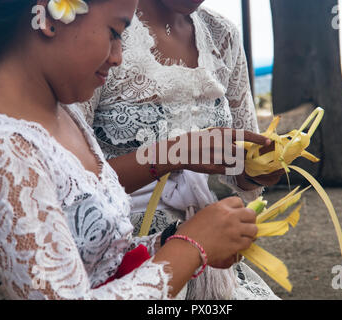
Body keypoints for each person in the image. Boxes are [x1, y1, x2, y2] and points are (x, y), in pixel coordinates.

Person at [0, 0, 262, 299]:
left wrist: (172, 241)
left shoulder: (67, 118)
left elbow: (100, 262)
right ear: (48, 18)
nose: (119, 56)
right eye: (114, 32)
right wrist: (190, 248)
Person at [78, 0, 284, 299]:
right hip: (119, 250)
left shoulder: (221, 33)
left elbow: (241, 160)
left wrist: (258, 170)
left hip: (209, 246)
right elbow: (66, 182)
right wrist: (171, 153)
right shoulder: (101, 29)